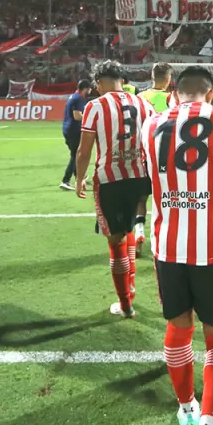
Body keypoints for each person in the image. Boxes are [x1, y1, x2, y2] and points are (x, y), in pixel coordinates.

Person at [141, 66, 213, 425]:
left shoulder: (150, 125)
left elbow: (152, 179)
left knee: (178, 325)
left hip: (167, 244)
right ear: (209, 92)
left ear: (174, 91)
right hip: (211, 244)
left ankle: (185, 408)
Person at [73, 61, 154, 319]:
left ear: (99, 82)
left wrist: (79, 178)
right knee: (129, 228)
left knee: (116, 239)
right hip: (140, 177)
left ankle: (125, 304)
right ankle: (130, 290)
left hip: (111, 180)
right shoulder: (143, 103)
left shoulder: (95, 106)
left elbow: (84, 150)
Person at [59, 79, 94, 191]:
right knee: (76, 156)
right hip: (74, 131)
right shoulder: (78, 99)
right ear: (86, 89)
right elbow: (77, 116)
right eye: (89, 88)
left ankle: (80, 176)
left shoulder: (74, 96)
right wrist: (90, 118)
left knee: (74, 154)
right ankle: (66, 180)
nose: (90, 90)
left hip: (68, 129)